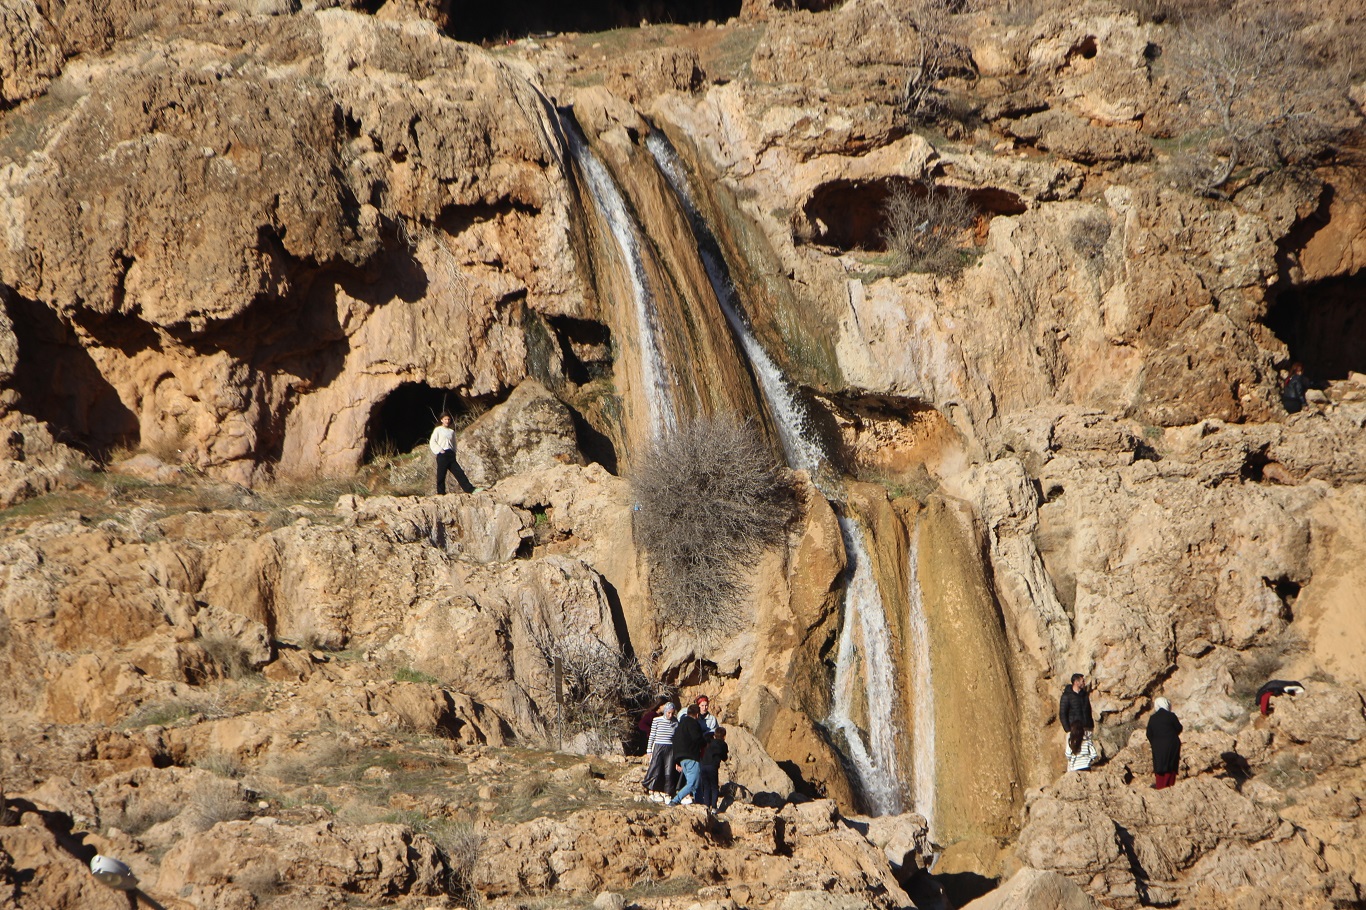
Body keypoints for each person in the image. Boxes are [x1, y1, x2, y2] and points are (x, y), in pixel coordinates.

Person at [668, 704, 706, 806]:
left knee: (697, 782)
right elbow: (697, 738)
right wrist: (705, 742)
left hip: (681, 758)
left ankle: (700, 804)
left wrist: (677, 761)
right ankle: (675, 800)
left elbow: (675, 741)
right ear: (697, 715)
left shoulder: (680, 725)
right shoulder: (693, 723)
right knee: (692, 784)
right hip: (691, 757)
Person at [643, 702, 678, 802]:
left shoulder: (675, 722)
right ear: (665, 712)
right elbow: (652, 735)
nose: (670, 715)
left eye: (672, 713)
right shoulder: (657, 720)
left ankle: (667, 792)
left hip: (670, 747)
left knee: (668, 770)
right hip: (659, 745)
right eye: (668, 713)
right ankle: (651, 789)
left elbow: (676, 737)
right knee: (655, 767)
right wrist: (649, 750)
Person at [1146, 696, 1182, 789]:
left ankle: (1160, 786)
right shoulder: (1171, 716)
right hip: (1172, 744)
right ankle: (1169, 785)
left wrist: (1154, 742)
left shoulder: (1153, 718)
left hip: (1157, 745)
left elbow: (1149, 733)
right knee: (1171, 764)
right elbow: (1179, 728)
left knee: (1159, 765)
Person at [429, 413, 463, 495]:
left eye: (448, 419)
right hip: (442, 454)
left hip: (450, 454)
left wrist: (454, 452)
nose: (447, 421)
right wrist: (440, 450)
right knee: (441, 474)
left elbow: (454, 443)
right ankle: (441, 493)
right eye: (445, 419)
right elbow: (432, 441)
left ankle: (470, 489)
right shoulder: (438, 430)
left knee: (459, 472)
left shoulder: (451, 432)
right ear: (441, 420)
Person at [698, 726, 729, 809]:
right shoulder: (723, 744)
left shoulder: (709, 742)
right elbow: (724, 758)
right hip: (713, 766)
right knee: (714, 787)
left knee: (706, 786)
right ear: (724, 736)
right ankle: (714, 807)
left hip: (703, 765)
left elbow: (706, 735)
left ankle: (707, 806)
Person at [1059, 673, 1095, 740]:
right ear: (1076, 682)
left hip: (1086, 729)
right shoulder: (1067, 696)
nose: (1084, 683)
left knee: (1086, 749)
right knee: (1074, 749)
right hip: (1074, 730)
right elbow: (1063, 714)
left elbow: (1088, 711)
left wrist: (1091, 726)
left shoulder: (1084, 695)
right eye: (1082, 681)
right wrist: (1068, 730)